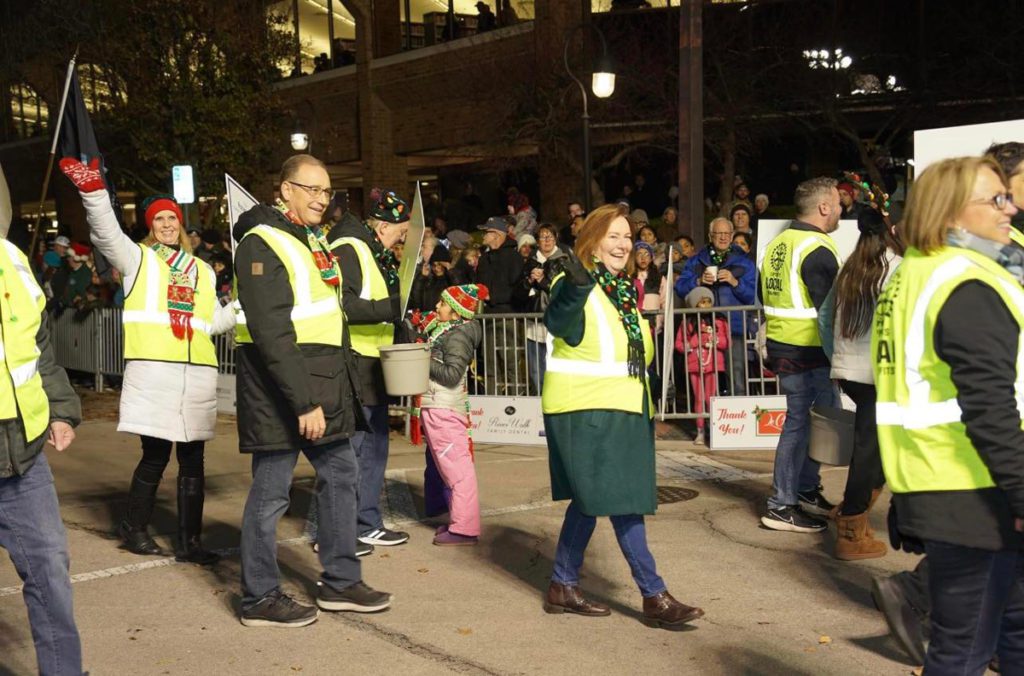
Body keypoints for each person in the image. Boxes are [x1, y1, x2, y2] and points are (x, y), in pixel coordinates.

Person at [874, 156, 1024, 674]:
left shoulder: (916, 273)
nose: (1010, 208)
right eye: (996, 199)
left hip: (940, 480)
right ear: (952, 213)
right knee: (965, 651)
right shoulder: (967, 282)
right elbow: (990, 405)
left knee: (997, 637)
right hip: (974, 486)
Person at [234, 154, 390, 627]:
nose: (322, 199)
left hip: (322, 384)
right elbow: (272, 331)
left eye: (327, 191)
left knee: (342, 476)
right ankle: (258, 596)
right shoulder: (261, 243)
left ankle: (341, 581)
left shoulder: (311, 241)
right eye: (312, 190)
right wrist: (304, 401)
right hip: (284, 391)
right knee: (271, 492)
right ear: (285, 190)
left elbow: (327, 316)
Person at [60, 158, 236, 564]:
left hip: (197, 374)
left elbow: (210, 324)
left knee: (193, 460)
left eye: (172, 219)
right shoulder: (138, 259)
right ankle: (134, 529)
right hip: (155, 370)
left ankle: (190, 543)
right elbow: (105, 232)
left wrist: (242, 309)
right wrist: (93, 192)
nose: (167, 225)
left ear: (180, 223)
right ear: (150, 226)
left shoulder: (203, 271)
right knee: (155, 455)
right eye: (159, 220)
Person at [541, 202, 704, 627]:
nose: (622, 243)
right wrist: (575, 286)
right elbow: (559, 322)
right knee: (618, 501)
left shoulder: (621, 289)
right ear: (592, 242)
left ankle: (563, 584)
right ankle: (653, 594)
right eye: (612, 235)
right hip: (587, 406)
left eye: (627, 236)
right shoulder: (574, 280)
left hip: (623, 406)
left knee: (598, 500)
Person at [0, 235, 84, 675]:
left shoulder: (11, 256)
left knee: (50, 572)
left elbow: (38, 349)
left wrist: (62, 410)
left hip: (24, 457)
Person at [329, 189, 411, 551]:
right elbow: (343, 306)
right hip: (356, 361)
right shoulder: (349, 247)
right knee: (354, 449)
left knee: (374, 446)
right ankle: (339, 530)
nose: (403, 239)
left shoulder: (369, 249)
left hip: (372, 359)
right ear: (382, 227)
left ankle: (365, 521)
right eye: (400, 232)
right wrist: (393, 307)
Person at [818, 207, 903, 560]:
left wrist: (835, 357)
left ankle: (852, 516)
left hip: (849, 371)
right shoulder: (897, 269)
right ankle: (851, 527)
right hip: (879, 372)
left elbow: (824, 317)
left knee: (874, 447)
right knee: (871, 451)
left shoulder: (850, 267)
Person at [758, 177, 842, 533]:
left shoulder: (780, 244)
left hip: (785, 344)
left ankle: (803, 490)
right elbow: (832, 309)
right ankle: (782, 503)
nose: (840, 209)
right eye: (837, 203)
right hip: (809, 348)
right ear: (823, 207)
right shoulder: (817, 248)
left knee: (820, 420)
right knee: (803, 423)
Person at [418, 284, 488, 545]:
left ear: (457, 312)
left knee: (458, 470)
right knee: (451, 468)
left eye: (443, 304)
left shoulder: (457, 336)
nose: (437, 307)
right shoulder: (450, 331)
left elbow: (450, 374)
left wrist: (422, 358)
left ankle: (464, 529)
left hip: (443, 407)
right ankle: (457, 521)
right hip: (440, 405)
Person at [676, 217, 756, 396]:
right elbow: (680, 288)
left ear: (732, 235)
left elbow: (752, 296)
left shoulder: (744, 262)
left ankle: (738, 419)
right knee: (705, 380)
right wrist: (698, 281)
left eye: (726, 233)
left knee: (737, 377)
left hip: (734, 328)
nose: (723, 237)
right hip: (703, 329)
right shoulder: (697, 261)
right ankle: (705, 421)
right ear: (710, 235)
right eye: (718, 233)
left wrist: (735, 282)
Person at [515, 223, 568, 395]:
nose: (546, 241)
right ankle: (540, 401)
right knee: (535, 368)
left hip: (554, 321)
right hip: (533, 322)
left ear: (556, 239)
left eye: (550, 236)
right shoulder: (530, 262)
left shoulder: (564, 260)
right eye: (542, 237)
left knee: (556, 367)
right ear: (537, 241)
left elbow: (562, 291)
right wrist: (529, 281)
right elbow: (517, 293)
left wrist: (542, 281)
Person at [475, 215, 525, 394]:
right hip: (487, 318)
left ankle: (516, 401)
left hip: (507, 316)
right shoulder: (484, 259)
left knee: (510, 361)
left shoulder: (514, 257)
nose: (483, 237)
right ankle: (491, 402)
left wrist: (492, 296)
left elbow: (518, 288)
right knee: (489, 362)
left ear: (496, 234)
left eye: (486, 233)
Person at [676, 287, 729, 445]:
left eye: (708, 302)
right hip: (695, 364)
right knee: (699, 398)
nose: (705, 306)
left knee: (710, 398)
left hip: (713, 364)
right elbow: (679, 344)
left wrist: (711, 341)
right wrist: (694, 342)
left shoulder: (719, 320)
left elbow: (726, 342)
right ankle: (700, 431)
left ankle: (714, 430)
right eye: (701, 303)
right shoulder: (688, 322)